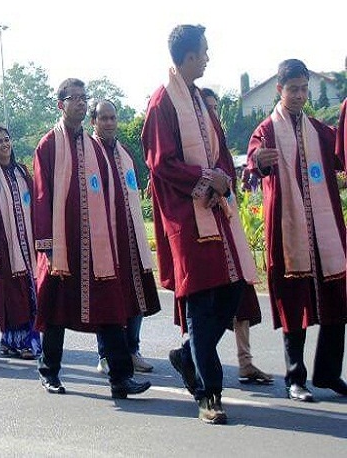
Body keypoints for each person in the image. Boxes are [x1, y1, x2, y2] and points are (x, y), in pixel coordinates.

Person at [142, 25, 258, 424]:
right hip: (187, 219)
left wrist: (221, 177)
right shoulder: (163, 103)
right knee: (201, 302)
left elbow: (220, 151)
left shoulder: (198, 101)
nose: (208, 58)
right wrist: (208, 179)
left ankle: (186, 352)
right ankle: (209, 395)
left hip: (214, 213)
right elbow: (162, 164)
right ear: (189, 56)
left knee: (233, 290)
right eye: (204, 52)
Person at [34, 79, 151, 400]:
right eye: (75, 99)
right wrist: (47, 246)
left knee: (109, 307)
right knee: (56, 311)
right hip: (63, 246)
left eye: (85, 98)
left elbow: (111, 196)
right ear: (60, 104)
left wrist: (113, 239)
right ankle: (50, 372)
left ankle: (120, 378)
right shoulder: (48, 146)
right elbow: (42, 197)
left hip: (97, 245)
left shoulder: (94, 146)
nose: (82, 104)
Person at [247, 59, 347, 401]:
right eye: (293, 89)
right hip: (289, 234)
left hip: (325, 231)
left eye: (304, 89)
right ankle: (295, 378)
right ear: (280, 89)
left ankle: (329, 374)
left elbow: (342, 152)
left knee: (338, 299)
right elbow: (253, 161)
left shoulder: (320, 131)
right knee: (294, 302)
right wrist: (259, 161)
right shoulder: (267, 130)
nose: (300, 96)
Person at [202, 88, 272, 385]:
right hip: (204, 234)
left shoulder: (221, 146)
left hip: (229, 228)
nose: (213, 114)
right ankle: (197, 359)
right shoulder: (192, 146)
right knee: (206, 306)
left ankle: (245, 362)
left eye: (216, 108)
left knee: (240, 296)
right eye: (207, 109)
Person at [90, 100, 162, 374]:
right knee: (107, 296)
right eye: (103, 118)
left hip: (130, 236)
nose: (109, 123)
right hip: (103, 237)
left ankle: (132, 350)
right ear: (93, 122)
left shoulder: (126, 154)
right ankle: (105, 354)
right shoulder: (89, 154)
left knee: (136, 293)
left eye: (112, 118)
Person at [0, 127, 41, 359]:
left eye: (7, 140)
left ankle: (24, 340)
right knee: (12, 296)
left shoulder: (22, 172)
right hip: (5, 248)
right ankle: (17, 341)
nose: (5, 145)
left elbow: (34, 204)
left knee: (31, 292)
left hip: (28, 245)